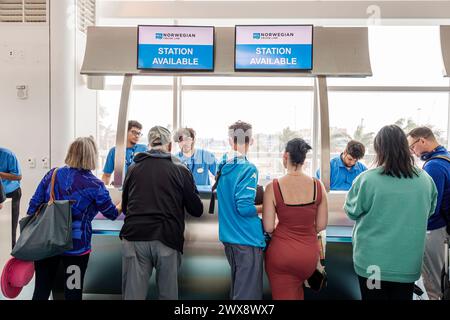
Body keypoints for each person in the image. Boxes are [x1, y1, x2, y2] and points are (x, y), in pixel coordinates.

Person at [344, 125, 437, 300]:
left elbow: (351, 211)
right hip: (407, 264)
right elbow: (429, 211)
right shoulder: (425, 180)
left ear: (379, 149)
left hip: (373, 266)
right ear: (404, 146)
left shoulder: (367, 179)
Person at [27, 137, 120, 300]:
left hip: (47, 244)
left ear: (71, 153)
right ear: (92, 156)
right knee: (73, 291)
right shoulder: (95, 185)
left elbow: (33, 206)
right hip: (76, 248)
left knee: (41, 291)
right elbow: (111, 213)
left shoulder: (52, 174)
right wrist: (123, 203)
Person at [120, 126, 203, 300]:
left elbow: (126, 206)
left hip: (135, 236)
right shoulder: (181, 169)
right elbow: (196, 210)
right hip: (167, 237)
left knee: (132, 296)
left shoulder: (134, 168)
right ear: (170, 146)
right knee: (168, 295)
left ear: (149, 145)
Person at [263, 138, 328, 300]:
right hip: (308, 257)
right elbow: (321, 225)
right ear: (304, 159)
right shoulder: (317, 185)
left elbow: (268, 227)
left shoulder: (273, 187)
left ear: (285, 156)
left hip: (282, 257)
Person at [216, 120, 265, 300]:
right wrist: (266, 207)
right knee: (248, 297)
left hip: (230, 237)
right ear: (251, 140)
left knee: (239, 292)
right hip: (246, 239)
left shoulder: (222, 165)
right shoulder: (247, 168)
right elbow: (244, 208)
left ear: (230, 141)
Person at [407, 126, 450, 300]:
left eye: (412, 147)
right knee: (442, 275)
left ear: (422, 141)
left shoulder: (433, 166)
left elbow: (431, 206)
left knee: (433, 281)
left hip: (434, 229)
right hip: (445, 227)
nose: (412, 152)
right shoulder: (446, 158)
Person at [101, 120, 147, 185]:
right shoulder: (114, 151)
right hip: (120, 191)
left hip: (138, 191)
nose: (137, 136)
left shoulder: (144, 149)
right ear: (125, 132)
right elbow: (106, 176)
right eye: (134, 132)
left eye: (139, 133)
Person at [0, 147, 22, 249]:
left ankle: (12, 250)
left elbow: (18, 176)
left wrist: (0, 174)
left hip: (11, 193)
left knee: (11, 226)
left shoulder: (8, 155)